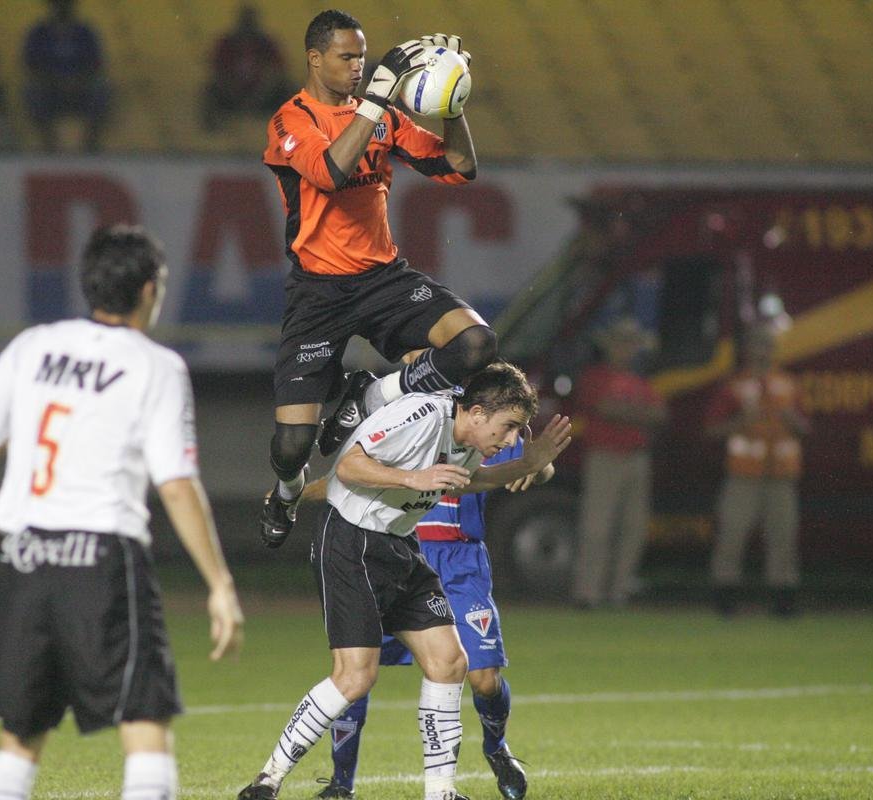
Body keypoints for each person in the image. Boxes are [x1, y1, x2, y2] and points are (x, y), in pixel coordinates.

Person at [0, 225, 245, 800]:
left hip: (22, 559)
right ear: (151, 290)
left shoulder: (35, 345)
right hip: (101, 560)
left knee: (20, 739)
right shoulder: (156, 366)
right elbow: (177, 484)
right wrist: (219, 583)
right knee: (144, 726)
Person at [237, 362, 573, 800]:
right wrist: (413, 478)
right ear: (475, 412)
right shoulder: (422, 415)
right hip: (352, 542)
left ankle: (440, 792)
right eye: (510, 427)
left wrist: (528, 463)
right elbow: (350, 467)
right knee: (354, 678)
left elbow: (476, 481)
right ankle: (268, 780)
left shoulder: (469, 441)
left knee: (450, 663)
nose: (511, 438)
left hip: (400, 546)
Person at [259, 10, 492, 551]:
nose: (358, 67)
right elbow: (330, 173)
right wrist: (380, 97)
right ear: (315, 58)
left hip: (382, 278)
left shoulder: (381, 117)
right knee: (294, 446)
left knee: (476, 342)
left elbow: (460, 168)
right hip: (318, 292)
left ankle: (371, 393)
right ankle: (287, 493)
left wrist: (452, 101)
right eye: (347, 57)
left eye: (362, 58)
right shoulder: (290, 121)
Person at [315, 435, 553, 800]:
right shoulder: (405, 422)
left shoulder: (482, 420)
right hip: (397, 554)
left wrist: (535, 469)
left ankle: (496, 748)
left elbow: (540, 465)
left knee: (485, 679)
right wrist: (289, 496)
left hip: (460, 563)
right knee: (357, 667)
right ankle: (340, 782)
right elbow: (348, 474)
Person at [705, 322, 810, 617]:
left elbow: (805, 427)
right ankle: (725, 599)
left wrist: (793, 420)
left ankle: (784, 600)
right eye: (756, 345)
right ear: (747, 350)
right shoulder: (733, 386)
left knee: (783, 538)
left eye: (767, 345)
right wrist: (740, 420)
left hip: (781, 475)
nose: (762, 351)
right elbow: (712, 430)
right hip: (743, 474)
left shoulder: (789, 384)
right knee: (732, 535)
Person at [570, 317, 667, 609]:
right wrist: (639, 413)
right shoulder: (595, 377)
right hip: (604, 456)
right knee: (596, 527)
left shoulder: (640, 381)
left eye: (631, 343)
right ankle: (588, 592)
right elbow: (605, 409)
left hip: (636, 457)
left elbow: (660, 415)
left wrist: (628, 412)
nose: (626, 349)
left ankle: (618, 590)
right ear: (609, 346)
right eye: (621, 342)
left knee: (632, 528)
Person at [22, 0, 111, 152]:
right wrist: (54, 82)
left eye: (66, 3)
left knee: (101, 89)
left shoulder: (85, 32)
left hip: (82, 88)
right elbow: (31, 64)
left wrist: (78, 81)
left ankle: (90, 145)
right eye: (58, 4)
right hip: (49, 88)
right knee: (32, 91)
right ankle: (49, 145)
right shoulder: (39, 32)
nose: (62, 7)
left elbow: (96, 63)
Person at [202, 4, 293, 130]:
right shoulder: (226, 43)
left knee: (290, 91)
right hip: (231, 94)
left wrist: (260, 95)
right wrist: (233, 92)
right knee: (209, 91)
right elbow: (218, 73)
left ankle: (289, 131)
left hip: (264, 94)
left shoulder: (267, 44)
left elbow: (277, 73)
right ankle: (213, 134)